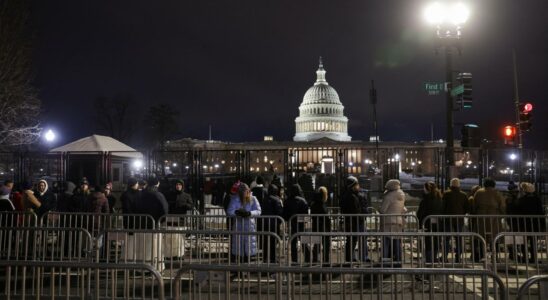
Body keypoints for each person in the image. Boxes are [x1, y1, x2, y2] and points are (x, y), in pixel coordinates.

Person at [471, 178, 505, 262]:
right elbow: (502, 206)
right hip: (494, 218)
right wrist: (502, 215)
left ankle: (482, 256)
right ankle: (495, 256)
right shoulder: (497, 193)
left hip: (481, 217)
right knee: (494, 238)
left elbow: (474, 205)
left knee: (481, 237)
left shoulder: (479, 192)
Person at [508, 182, 544, 262]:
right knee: (533, 241)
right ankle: (534, 258)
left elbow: (516, 211)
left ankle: (525, 256)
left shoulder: (521, 200)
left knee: (524, 241)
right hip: (535, 224)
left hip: (523, 224)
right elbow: (541, 212)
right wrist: (542, 225)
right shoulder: (537, 200)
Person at [226, 183, 262, 263]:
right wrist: (237, 213)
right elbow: (229, 211)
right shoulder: (235, 199)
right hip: (239, 226)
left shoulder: (253, 199)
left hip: (249, 226)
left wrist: (249, 213)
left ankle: (246, 269)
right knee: (239, 250)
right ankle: (240, 271)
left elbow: (258, 211)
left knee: (248, 249)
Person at [340, 176, 369, 263]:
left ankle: (352, 258)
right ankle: (357, 257)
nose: (358, 186)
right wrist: (361, 217)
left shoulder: (347, 195)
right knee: (355, 239)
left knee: (352, 240)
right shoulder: (352, 196)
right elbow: (356, 209)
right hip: (355, 221)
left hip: (352, 221)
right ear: (353, 186)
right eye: (357, 184)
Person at [442, 178, 470, 262]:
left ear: (451, 185)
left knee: (446, 238)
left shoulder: (446, 194)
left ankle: (445, 256)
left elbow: (443, 206)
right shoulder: (464, 195)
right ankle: (458, 257)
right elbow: (467, 208)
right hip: (459, 219)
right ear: (459, 185)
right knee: (458, 238)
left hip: (447, 218)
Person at [380, 179, 407, 264]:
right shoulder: (402, 194)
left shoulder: (389, 196)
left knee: (386, 242)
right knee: (397, 241)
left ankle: (385, 260)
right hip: (398, 221)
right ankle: (398, 260)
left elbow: (383, 210)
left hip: (388, 221)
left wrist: (379, 208)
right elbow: (403, 208)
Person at [417, 181, 443, 263]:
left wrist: (420, 224)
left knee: (428, 242)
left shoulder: (425, 200)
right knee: (436, 241)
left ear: (427, 189)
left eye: (424, 188)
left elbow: (420, 213)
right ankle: (434, 259)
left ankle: (428, 260)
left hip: (427, 223)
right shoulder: (439, 199)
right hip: (438, 223)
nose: (423, 189)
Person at [283, 184, 309, 264]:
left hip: (292, 224)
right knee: (304, 242)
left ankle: (294, 261)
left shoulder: (287, 201)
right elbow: (306, 214)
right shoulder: (303, 200)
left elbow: (285, 214)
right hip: (301, 223)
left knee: (293, 243)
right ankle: (307, 259)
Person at [307, 186, 331, 264]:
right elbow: (325, 216)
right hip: (323, 227)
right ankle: (326, 260)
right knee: (326, 245)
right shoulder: (322, 204)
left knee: (316, 244)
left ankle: (315, 259)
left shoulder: (314, 203)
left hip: (316, 226)